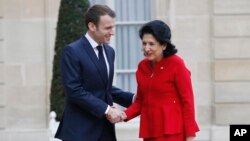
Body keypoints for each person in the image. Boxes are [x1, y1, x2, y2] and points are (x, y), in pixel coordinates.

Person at [55, 4, 134, 141]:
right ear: (92, 26)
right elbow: (74, 91)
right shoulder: (72, 51)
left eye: (113, 27)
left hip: (105, 130)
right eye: (107, 28)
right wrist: (107, 109)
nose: (112, 32)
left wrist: (134, 99)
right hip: (80, 131)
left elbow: (104, 88)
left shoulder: (110, 52)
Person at [120, 20, 200, 141]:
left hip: (173, 133)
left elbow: (187, 102)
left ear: (164, 45)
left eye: (151, 44)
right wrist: (123, 114)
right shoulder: (142, 67)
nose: (146, 48)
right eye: (144, 43)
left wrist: (190, 135)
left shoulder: (176, 64)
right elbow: (140, 101)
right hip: (150, 132)